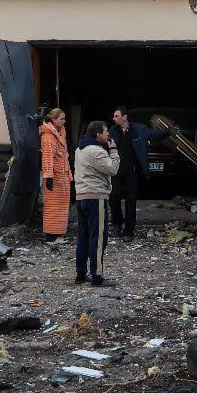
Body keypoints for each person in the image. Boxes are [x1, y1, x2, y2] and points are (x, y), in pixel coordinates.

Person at [108, 107, 178, 240]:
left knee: (131, 200)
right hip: (115, 171)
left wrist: (168, 131)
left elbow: (154, 134)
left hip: (131, 171)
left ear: (125, 117)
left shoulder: (139, 129)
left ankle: (128, 231)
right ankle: (117, 223)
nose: (114, 118)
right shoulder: (112, 130)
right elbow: (102, 141)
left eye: (116, 116)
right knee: (114, 198)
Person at [73, 120, 120, 287]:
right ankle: (97, 276)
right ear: (98, 134)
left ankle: (80, 273)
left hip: (81, 197)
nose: (108, 134)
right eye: (106, 131)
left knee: (83, 238)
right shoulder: (96, 151)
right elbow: (112, 169)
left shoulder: (79, 149)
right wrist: (113, 151)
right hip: (95, 197)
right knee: (98, 239)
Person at [39, 108, 71, 242]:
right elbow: (47, 157)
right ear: (54, 119)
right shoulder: (48, 136)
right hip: (55, 176)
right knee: (53, 206)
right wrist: (48, 176)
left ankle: (57, 234)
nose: (64, 121)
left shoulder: (59, 133)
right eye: (61, 119)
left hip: (61, 175)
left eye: (64, 119)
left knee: (61, 206)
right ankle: (51, 237)